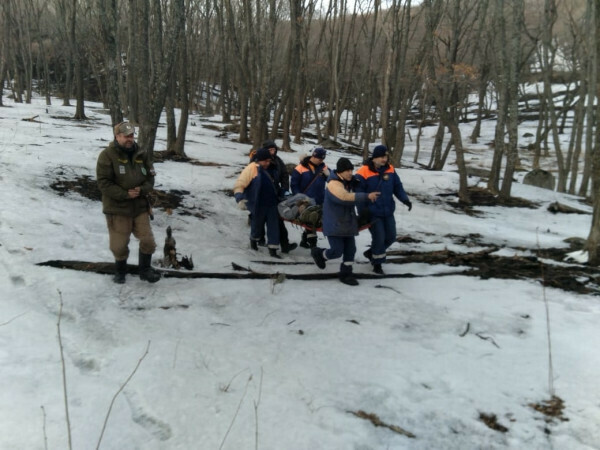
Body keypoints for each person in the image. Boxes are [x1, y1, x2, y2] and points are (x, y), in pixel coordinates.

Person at [96, 121, 161, 283]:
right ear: (117, 136)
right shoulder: (107, 155)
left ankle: (145, 270)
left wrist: (142, 190)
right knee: (119, 246)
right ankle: (120, 271)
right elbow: (103, 183)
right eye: (126, 136)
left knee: (148, 241)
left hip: (139, 207)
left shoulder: (141, 154)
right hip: (118, 208)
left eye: (131, 135)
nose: (129, 139)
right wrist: (125, 194)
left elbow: (150, 178)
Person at [311, 158, 379, 286]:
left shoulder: (348, 182)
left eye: (351, 170)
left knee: (350, 250)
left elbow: (360, 185)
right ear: (340, 171)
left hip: (348, 223)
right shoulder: (333, 184)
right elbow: (343, 197)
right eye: (347, 170)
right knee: (337, 251)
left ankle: (346, 274)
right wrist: (366, 196)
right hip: (334, 223)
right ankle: (319, 253)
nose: (350, 173)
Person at [355, 144, 412, 275]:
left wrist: (405, 199)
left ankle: (371, 252)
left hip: (388, 210)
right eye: (381, 157)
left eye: (386, 156)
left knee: (391, 237)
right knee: (379, 238)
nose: (384, 159)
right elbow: (358, 193)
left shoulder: (390, 169)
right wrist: (362, 211)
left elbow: (397, 186)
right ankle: (377, 264)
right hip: (372, 212)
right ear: (374, 158)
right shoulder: (362, 172)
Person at [234, 147, 282, 258]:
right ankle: (253, 241)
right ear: (259, 159)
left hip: (272, 203)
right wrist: (239, 198)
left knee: (273, 227)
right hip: (258, 203)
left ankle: (273, 249)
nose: (268, 163)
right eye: (265, 161)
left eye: (269, 161)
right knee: (257, 225)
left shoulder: (273, 169)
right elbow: (240, 184)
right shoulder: (251, 168)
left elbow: (276, 186)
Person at [261, 139, 297, 253]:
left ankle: (284, 244)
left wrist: (284, 189)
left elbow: (284, 175)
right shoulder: (260, 161)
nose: (272, 152)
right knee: (260, 221)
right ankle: (259, 239)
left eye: (274, 149)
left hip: (276, 195)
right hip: (262, 196)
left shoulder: (278, 161)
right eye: (270, 149)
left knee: (278, 221)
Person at [290, 147, 329, 248]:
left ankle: (305, 241)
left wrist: (328, 176)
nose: (321, 161)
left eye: (322, 159)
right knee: (312, 222)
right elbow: (294, 185)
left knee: (314, 221)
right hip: (306, 200)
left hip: (320, 198)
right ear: (313, 156)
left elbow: (332, 178)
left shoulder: (323, 167)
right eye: (319, 159)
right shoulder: (300, 168)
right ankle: (313, 245)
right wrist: (299, 199)